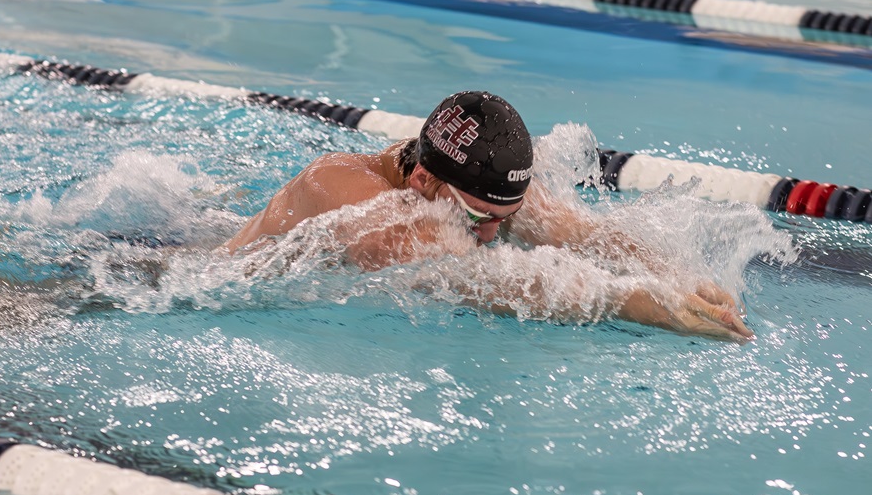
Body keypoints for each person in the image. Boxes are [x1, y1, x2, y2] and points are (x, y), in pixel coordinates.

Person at [225, 91, 753, 342]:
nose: (492, 234)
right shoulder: (348, 196)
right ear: (422, 180)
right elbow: (477, 280)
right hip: (209, 280)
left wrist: (683, 281)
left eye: (505, 216)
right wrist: (641, 304)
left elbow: (581, 233)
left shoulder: (460, 187)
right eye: (479, 217)